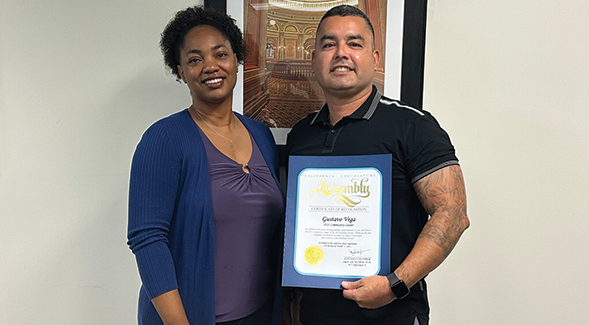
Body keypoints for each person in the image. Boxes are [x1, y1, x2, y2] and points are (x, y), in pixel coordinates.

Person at [285, 5, 470, 325]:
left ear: (375, 58)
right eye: (329, 45)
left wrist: (394, 285)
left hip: (392, 315)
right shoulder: (301, 134)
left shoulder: (413, 126)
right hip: (317, 316)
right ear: (314, 60)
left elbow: (453, 214)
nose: (341, 53)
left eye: (354, 44)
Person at [127, 6, 285, 325]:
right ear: (180, 71)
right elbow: (147, 240)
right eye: (195, 59)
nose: (210, 66)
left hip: (260, 315)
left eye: (220, 54)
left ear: (237, 60)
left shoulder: (261, 135)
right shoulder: (164, 139)